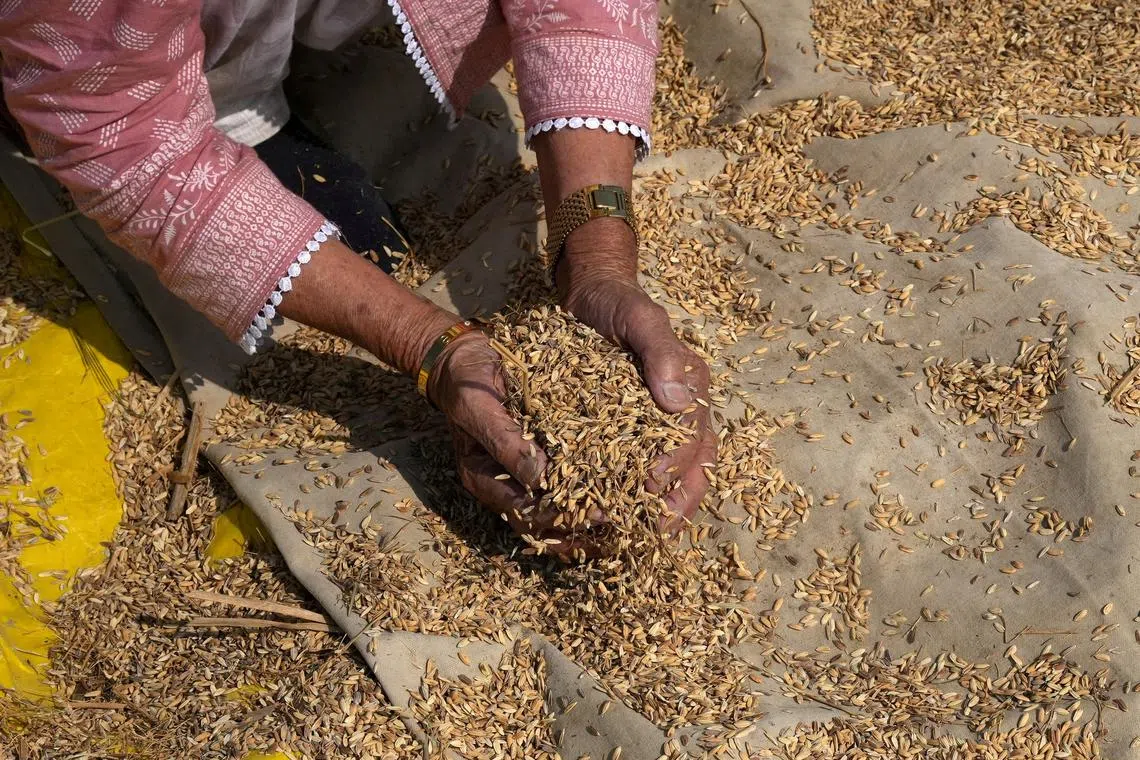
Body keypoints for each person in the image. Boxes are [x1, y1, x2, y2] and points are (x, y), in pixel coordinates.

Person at [0, 0, 715, 555]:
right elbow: (121, 133)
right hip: (93, 43)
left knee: (352, 236)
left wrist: (596, 259)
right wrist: (430, 345)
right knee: (342, 245)